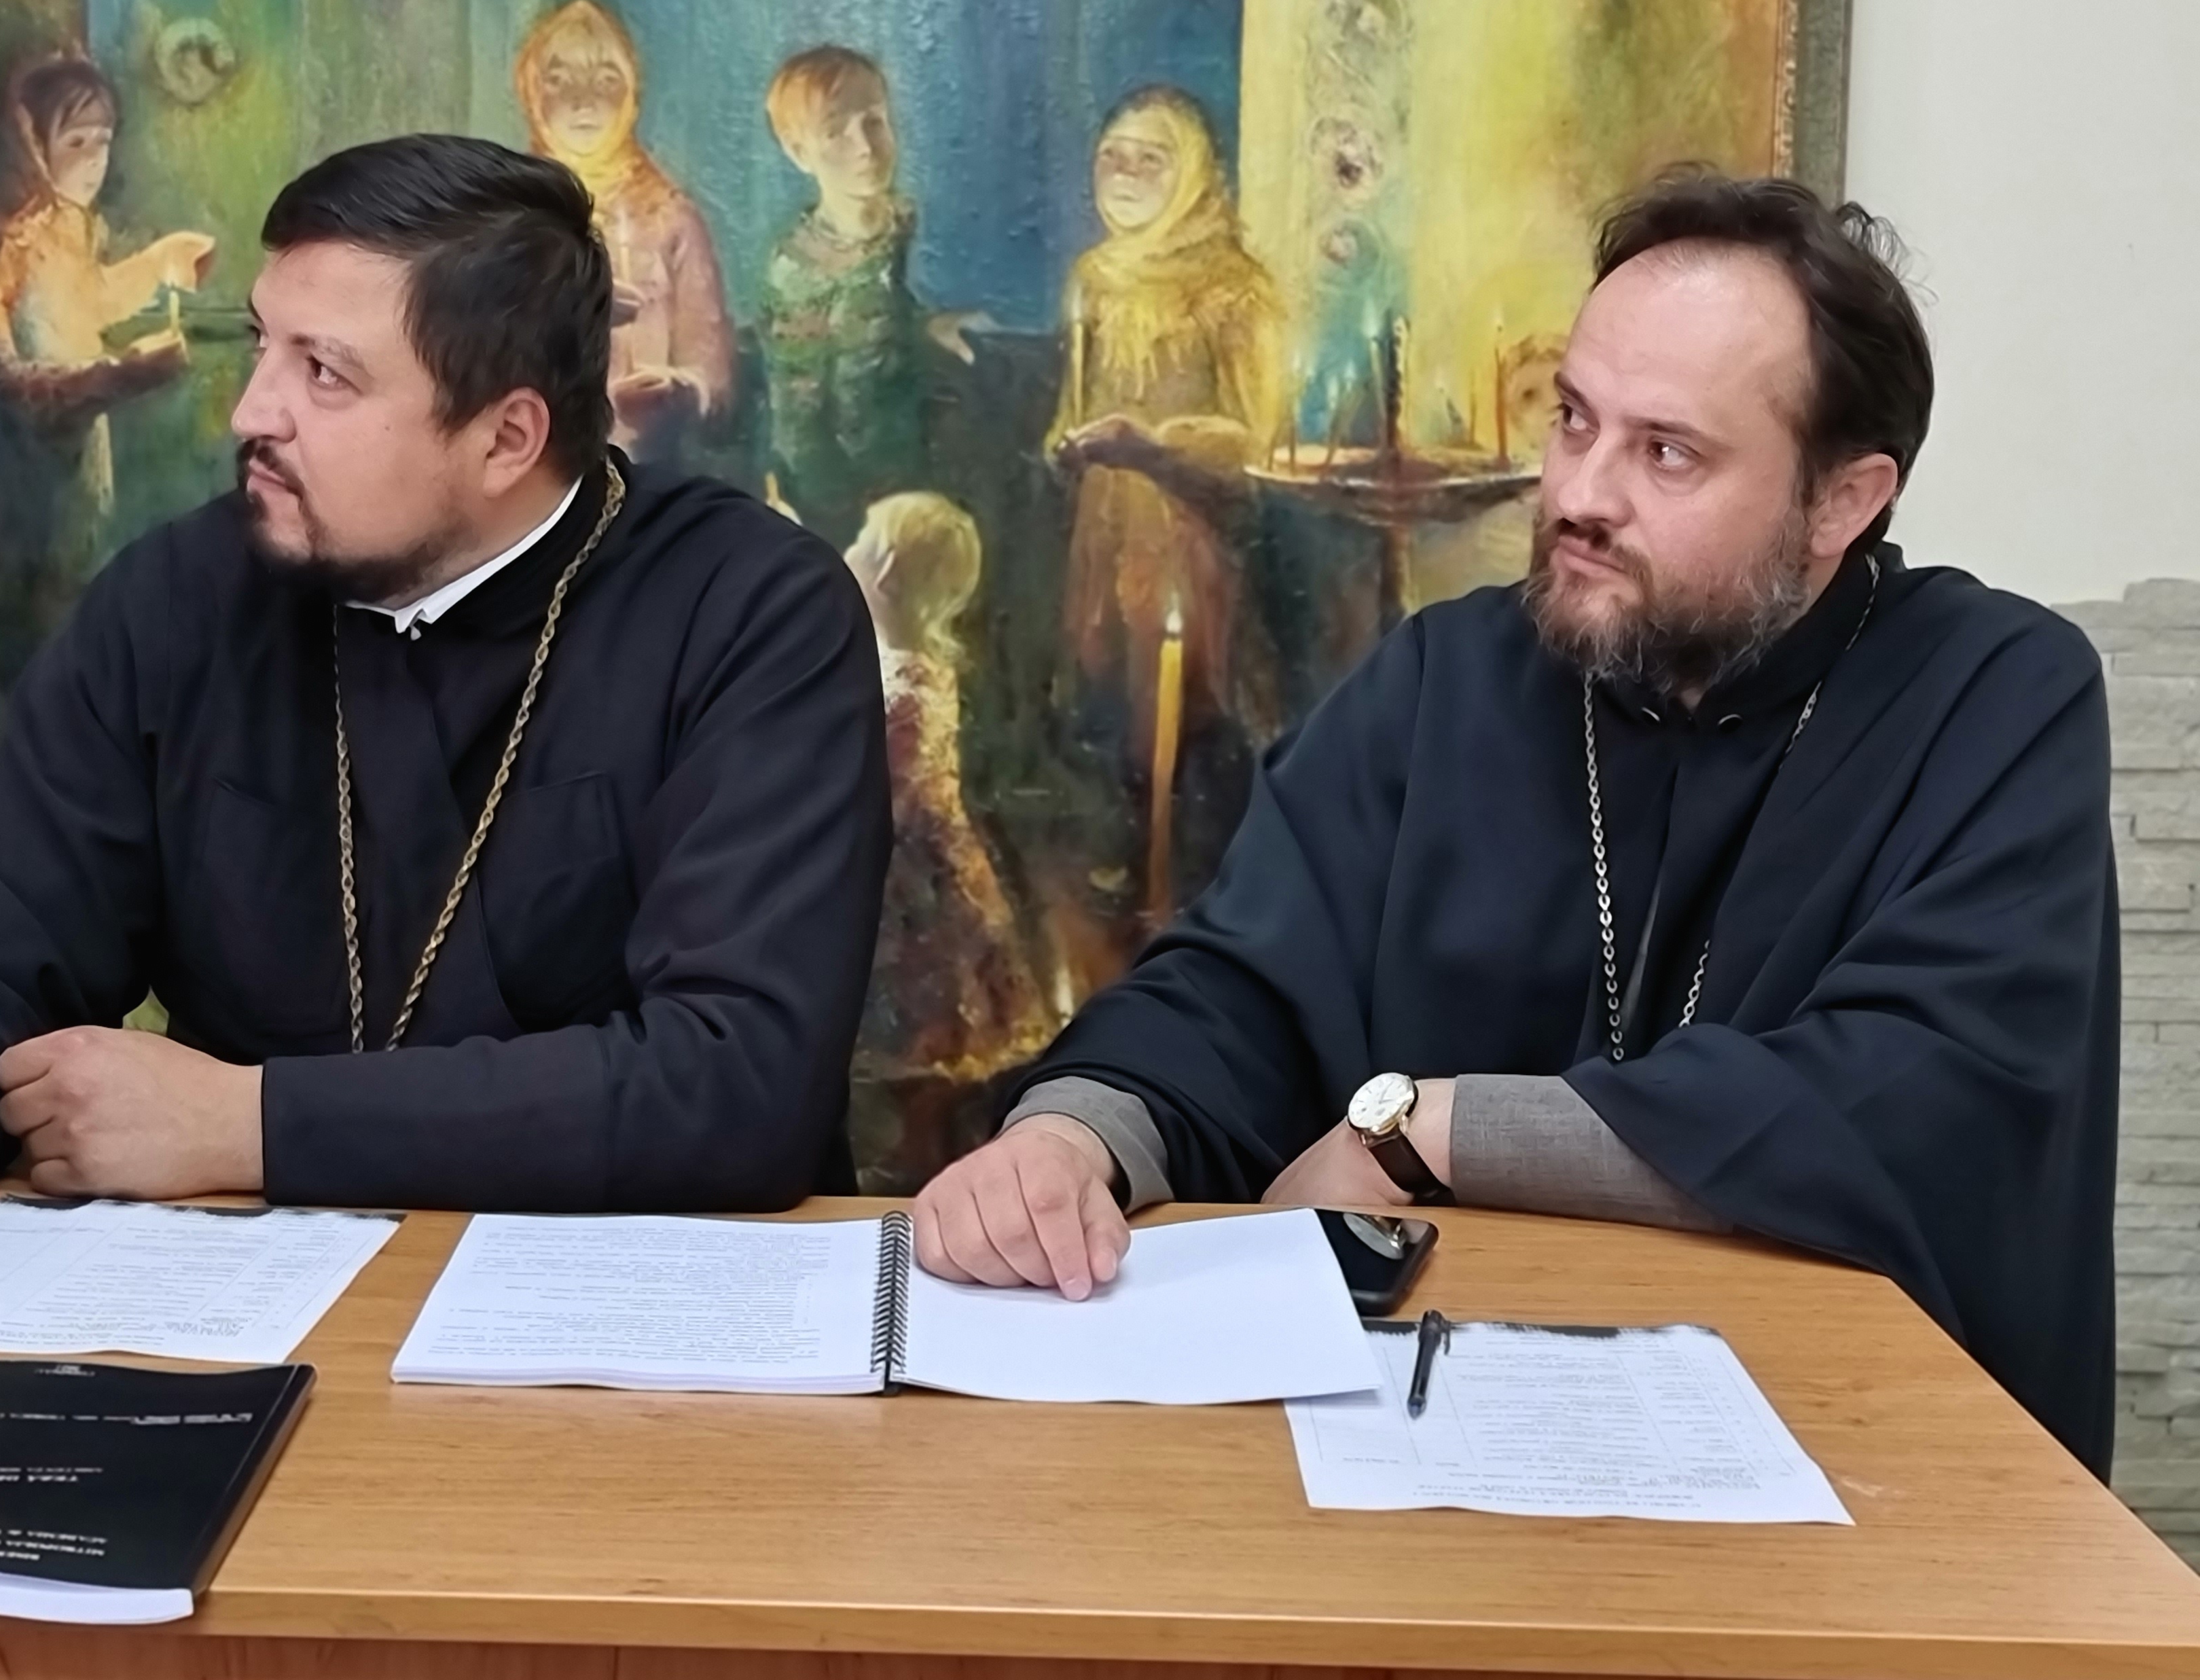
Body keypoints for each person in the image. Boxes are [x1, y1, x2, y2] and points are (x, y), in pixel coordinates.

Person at [916, 171, 2121, 1474]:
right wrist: (1072, 1138)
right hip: (1443, 1463)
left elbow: (1917, 1097)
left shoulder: (1993, 695)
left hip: (1851, 1463)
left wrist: (1420, 1131)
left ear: (1842, 500)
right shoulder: (1448, 677)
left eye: (1667, 452)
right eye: (1574, 419)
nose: (1580, 495)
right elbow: (1236, 992)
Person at [0, 134, 890, 1278]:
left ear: (507, 438)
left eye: (324, 375)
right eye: (263, 346)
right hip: (246, 1306)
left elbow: (738, 1080)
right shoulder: (179, 598)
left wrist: (245, 1124)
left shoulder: (751, 612)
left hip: (649, 1318)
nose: (252, 412)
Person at [1047, 88, 1284, 769]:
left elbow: (1259, 443)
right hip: (1105, 523)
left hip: (1188, 529)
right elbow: (1075, 400)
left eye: (1150, 160)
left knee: (1181, 701)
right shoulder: (1095, 278)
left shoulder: (1235, 289)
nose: (1123, 175)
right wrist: (1067, 445)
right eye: (1111, 157)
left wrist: (1155, 447)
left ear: (1193, 174)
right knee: (1103, 685)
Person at [843, 492, 1056, 1190]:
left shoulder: (909, 686)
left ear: (885, 572)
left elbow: (895, 794)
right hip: (906, 881)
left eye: (861, 541)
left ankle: (924, 1164)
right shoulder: (890, 666)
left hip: (918, 896)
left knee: (928, 1044)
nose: (848, 552)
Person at [0, 55, 217, 536]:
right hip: (30, 468)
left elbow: (91, 302)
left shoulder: (77, 229)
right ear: (35, 149)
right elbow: (6, 381)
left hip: (85, 453)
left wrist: (164, 261)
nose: (94, 160)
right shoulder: (12, 245)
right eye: (75, 143)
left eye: (102, 141)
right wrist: (122, 374)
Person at [759, 46, 986, 544]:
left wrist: (925, 327)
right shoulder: (799, 268)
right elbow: (798, 416)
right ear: (800, 153)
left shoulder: (900, 224)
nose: (864, 147)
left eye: (875, 122)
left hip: (914, 465)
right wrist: (831, 517)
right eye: (836, 133)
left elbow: (886, 310)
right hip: (844, 498)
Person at [511, 0, 734, 461]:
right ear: (531, 92)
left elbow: (714, 376)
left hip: (651, 471)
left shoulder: (672, 219)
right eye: (559, 81)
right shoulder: (505, 220)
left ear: (632, 94)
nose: (584, 101)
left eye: (606, 80)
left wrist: (681, 391)